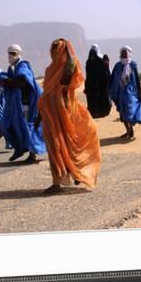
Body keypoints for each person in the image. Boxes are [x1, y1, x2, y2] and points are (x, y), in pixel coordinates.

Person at [36, 39, 101, 193]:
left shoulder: (69, 66)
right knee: (54, 146)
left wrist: (68, 59)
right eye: (52, 48)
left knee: (68, 144)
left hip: (65, 111)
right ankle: (57, 181)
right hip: (50, 112)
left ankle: (77, 173)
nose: (53, 51)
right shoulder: (51, 69)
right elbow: (47, 92)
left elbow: (66, 83)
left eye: (57, 48)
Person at [0, 44, 46, 162]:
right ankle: (19, 149)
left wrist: (8, 81)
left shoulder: (23, 66)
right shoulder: (12, 68)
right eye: (9, 53)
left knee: (27, 128)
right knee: (12, 127)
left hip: (26, 104)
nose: (11, 56)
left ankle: (32, 154)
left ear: (19, 54)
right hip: (15, 105)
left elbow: (23, 81)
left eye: (14, 53)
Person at [109, 45, 141, 138]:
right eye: (122, 53)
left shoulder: (133, 65)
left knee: (129, 112)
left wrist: (139, 92)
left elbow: (137, 79)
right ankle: (129, 131)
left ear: (128, 54)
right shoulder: (117, 65)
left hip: (130, 93)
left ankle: (130, 130)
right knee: (122, 113)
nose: (124, 55)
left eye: (125, 53)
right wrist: (111, 90)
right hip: (119, 93)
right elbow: (113, 78)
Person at [84, 44, 112, 118]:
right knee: (92, 100)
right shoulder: (89, 62)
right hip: (91, 84)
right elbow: (88, 73)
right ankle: (94, 112)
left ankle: (101, 111)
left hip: (100, 84)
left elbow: (105, 73)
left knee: (102, 97)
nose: (92, 56)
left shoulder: (101, 60)